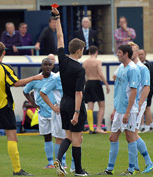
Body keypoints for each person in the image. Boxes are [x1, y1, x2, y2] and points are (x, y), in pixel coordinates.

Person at [0, 41, 42, 176]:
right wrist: (34, 77)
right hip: (4, 107)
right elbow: (16, 83)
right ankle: (16, 170)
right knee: (12, 137)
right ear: (4, 53)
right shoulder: (5, 68)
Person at [52, 7, 88, 176]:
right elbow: (79, 93)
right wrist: (76, 113)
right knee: (77, 139)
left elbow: (59, 37)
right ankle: (79, 170)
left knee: (68, 136)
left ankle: (58, 159)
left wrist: (57, 17)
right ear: (79, 50)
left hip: (63, 102)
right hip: (74, 105)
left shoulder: (63, 60)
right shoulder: (79, 69)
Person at [97, 44, 139, 175]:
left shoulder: (133, 69)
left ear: (126, 54)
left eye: (119, 52)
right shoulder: (121, 67)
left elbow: (133, 92)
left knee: (130, 137)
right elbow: (120, 90)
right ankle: (109, 169)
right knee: (113, 137)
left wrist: (127, 112)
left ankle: (131, 170)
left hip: (129, 111)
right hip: (119, 110)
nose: (117, 54)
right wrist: (115, 109)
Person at [24, 58, 67, 169]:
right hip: (43, 112)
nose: (47, 67)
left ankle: (63, 161)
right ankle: (50, 163)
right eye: (45, 64)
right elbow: (25, 91)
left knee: (60, 137)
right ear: (42, 65)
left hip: (56, 112)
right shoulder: (36, 79)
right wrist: (33, 104)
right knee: (47, 137)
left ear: (53, 66)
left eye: (50, 65)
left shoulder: (56, 78)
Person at [40, 72, 75, 173]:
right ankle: (61, 164)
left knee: (77, 137)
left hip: (73, 110)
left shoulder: (73, 73)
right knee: (60, 138)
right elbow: (43, 92)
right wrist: (52, 107)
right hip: (61, 111)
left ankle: (73, 166)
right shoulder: (56, 77)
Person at [128, 42, 153, 174]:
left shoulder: (142, 68)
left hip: (137, 104)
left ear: (137, 53)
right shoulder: (129, 67)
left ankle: (149, 162)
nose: (130, 53)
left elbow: (147, 87)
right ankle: (136, 165)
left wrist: (139, 104)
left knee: (134, 134)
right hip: (130, 105)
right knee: (130, 133)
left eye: (132, 50)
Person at [83, 46, 110, 134]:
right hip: (96, 83)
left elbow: (83, 75)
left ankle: (91, 128)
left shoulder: (85, 62)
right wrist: (106, 84)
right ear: (96, 52)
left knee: (90, 106)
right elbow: (100, 72)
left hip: (88, 83)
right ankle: (98, 127)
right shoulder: (97, 61)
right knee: (101, 106)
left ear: (89, 52)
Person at [138, 49, 153, 133]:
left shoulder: (146, 65)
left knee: (144, 106)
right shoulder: (146, 64)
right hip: (147, 87)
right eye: (139, 54)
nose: (140, 56)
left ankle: (143, 125)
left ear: (145, 55)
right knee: (146, 107)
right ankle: (151, 125)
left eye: (142, 54)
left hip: (147, 88)